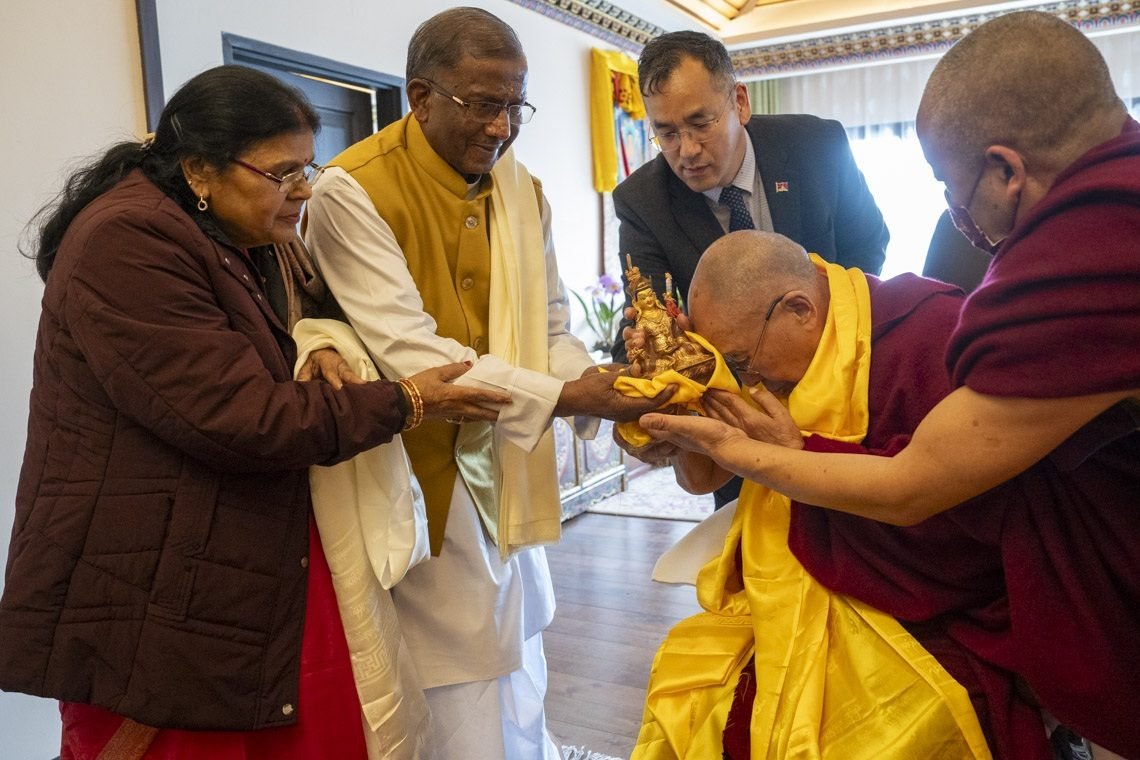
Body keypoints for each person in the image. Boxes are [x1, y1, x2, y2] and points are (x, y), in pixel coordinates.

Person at [639, 11, 1140, 758]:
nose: (957, 221)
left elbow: (918, 487)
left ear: (1007, 170)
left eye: (951, 187)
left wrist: (759, 454)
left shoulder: (1084, 265)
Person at [0, 65, 511, 760]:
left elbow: (285, 325)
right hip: (149, 573)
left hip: (230, 548)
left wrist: (318, 342)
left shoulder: (228, 234)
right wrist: (409, 399)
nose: (304, 190)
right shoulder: (129, 241)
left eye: (307, 169)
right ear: (199, 170)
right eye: (282, 173)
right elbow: (240, 416)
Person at [303, 8, 669, 759]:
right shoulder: (351, 191)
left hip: (504, 459)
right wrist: (568, 397)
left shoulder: (521, 189)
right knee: (449, 677)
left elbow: (552, 324)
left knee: (516, 649)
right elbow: (410, 348)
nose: (501, 127)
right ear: (420, 96)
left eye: (514, 106)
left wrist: (597, 381)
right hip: (413, 469)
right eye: (482, 104)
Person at [612, 30, 889, 508]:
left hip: (844, 388)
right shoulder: (643, 201)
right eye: (667, 133)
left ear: (739, 102)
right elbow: (648, 313)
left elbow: (868, 247)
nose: (687, 150)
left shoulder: (815, 145)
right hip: (739, 418)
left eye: (700, 123)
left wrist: (823, 352)